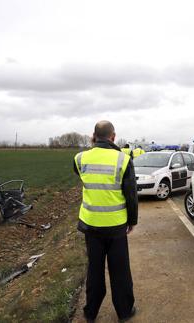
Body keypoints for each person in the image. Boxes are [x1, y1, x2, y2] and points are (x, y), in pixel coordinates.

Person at [73, 121, 138, 322]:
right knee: (120, 271)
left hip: (91, 225)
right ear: (113, 136)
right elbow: (131, 194)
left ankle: (91, 313)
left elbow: (82, 176)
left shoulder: (80, 158)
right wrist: (132, 221)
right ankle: (124, 312)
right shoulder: (123, 159)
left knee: (94, 269)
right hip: (116, 226)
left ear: (93, 136)